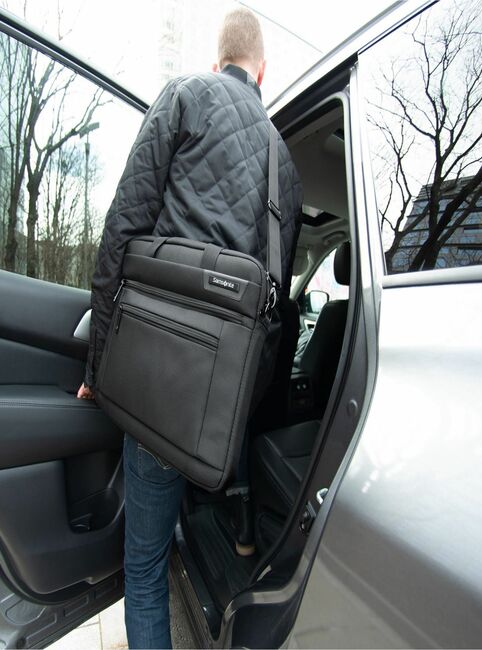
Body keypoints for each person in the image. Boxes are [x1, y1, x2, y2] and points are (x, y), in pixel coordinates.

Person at [77, 8, 302, 648]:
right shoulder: (283, 163)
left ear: (218, 59)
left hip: (158, 383)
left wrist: (100, 364)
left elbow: (121, 232)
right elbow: (274, 309)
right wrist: (240, 409)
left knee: (144, 566)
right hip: (218, 405)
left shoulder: (185, 96)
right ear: (262, 71)